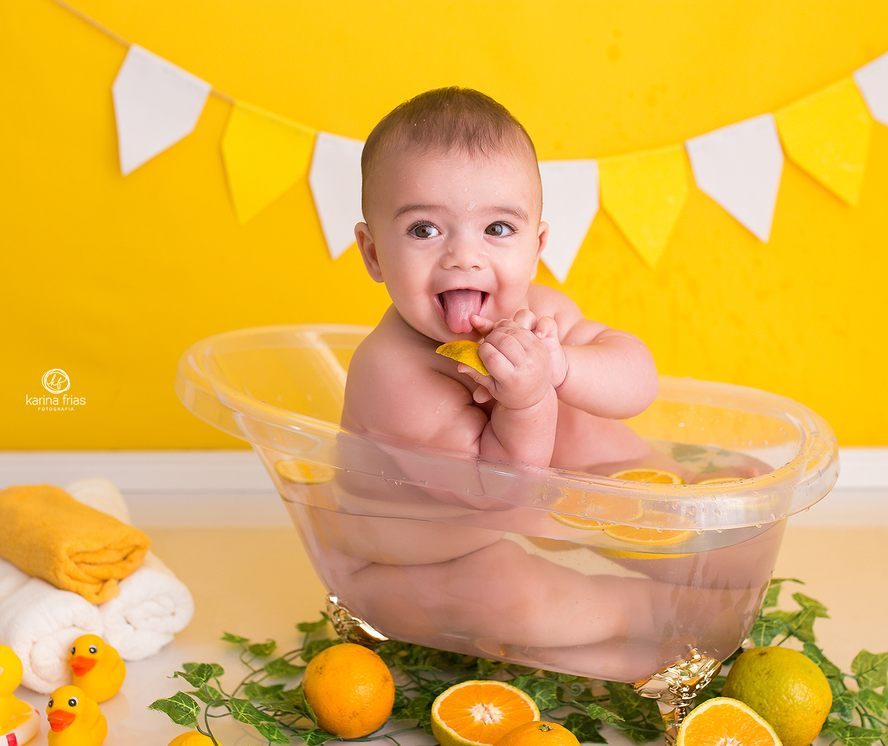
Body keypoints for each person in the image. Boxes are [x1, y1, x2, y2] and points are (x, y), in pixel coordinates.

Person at [320, 88, 767, 680]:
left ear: (535, 248)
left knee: (587, 419)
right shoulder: (392, 373)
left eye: (497, 227)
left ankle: (675, 520)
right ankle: (645, 611)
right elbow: (501, 493)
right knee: (515, 601)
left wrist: (561, 369)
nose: (463, 257)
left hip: (529, 517)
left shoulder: (542, 312)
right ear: (374, 253)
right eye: (424, 229)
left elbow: (638, 382)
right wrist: (527, 398)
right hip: (415, 561)